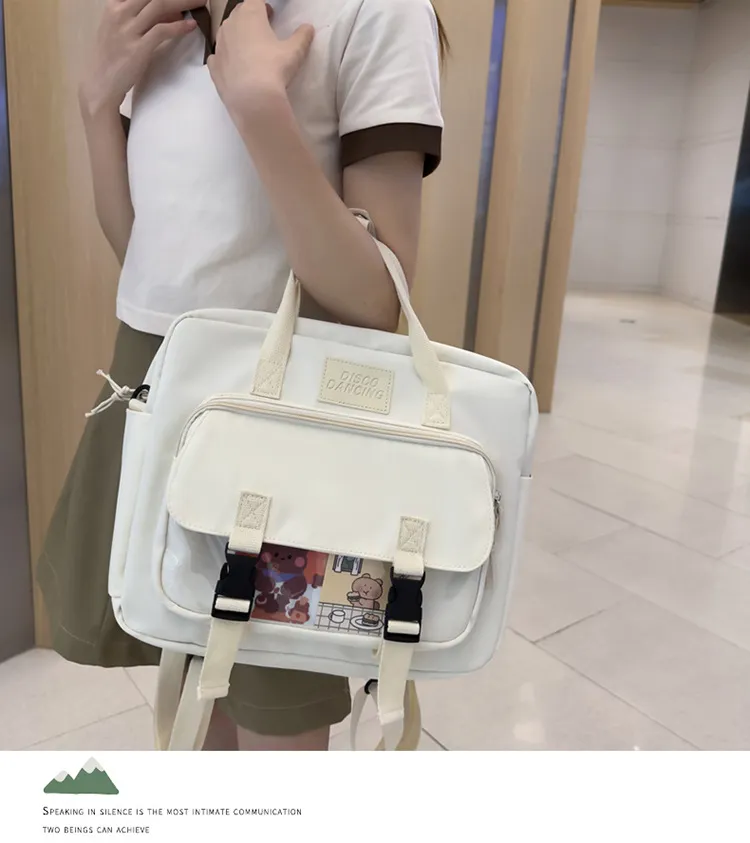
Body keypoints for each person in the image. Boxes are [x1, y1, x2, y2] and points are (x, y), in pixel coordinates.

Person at [37, 0, 444, 751]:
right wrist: (97, 104)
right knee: (192, 703)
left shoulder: (379, 11)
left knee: (273, 733)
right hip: (156, 386)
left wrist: (259, 107)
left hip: (282, 422)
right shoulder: (163, 16)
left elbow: (376, 300)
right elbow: (148, 255)